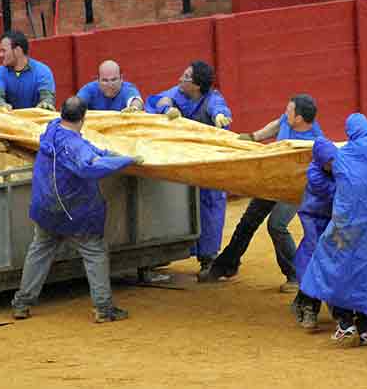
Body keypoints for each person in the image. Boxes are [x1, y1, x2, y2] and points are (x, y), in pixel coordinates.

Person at [11, 96, 143, 322]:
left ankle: (22, 303)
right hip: (74, 210)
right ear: (83, 118)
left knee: (40, 250)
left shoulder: (52, 128)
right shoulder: (75, 146)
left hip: (46, 205)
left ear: (62, 113)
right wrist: (125, 160)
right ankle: (103, 308)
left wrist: (105, 154)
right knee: (94, 252)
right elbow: (89, 166)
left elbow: (87, 150)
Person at [199, 94, 324, 292]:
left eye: (289, 110)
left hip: (295, 188)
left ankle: (296, 275)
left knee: (276, 225)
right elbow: (276, 124)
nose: (285, 113)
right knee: (248, 221)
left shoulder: (314, 143)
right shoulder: (289, 120)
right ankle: (226, 266)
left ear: (299, 118)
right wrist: (254, 137)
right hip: (273, 180)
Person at [300, 113, 367, 347]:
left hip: (347, 225)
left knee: (334, 266)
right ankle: (365, 328)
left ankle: (345, 322)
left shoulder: (341, 156)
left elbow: (320, 174)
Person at [145, 61, 232, 275]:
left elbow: (218, 108)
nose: (179, 79)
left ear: (196, 85)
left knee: (210, 206)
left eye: (185, 77)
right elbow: (159, 99)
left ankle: (209, 259)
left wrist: (220, 116)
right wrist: (167, 107)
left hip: (208, 164)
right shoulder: (178, 93)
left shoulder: (212, 99)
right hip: (184, 163)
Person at [291, 137, 338, 330]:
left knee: (328, 262)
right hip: (313, 220)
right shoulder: (315, 175)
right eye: (328, 163)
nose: (332, 165)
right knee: (315, 261)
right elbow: (334, 192)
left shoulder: (333, 165)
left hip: (330, 220)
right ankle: (310, 308)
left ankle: (309, 304)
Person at [0, 30, 56, 110]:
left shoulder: (42, 71)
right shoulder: (0, 72)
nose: (0, 55)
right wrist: (2, 105)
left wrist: (45, 104)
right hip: (9, 119)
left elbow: (47, 98)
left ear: (18, 50)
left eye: (4, 51)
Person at [77, 60, 143, 112]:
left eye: (114, 80)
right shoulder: (89, 89)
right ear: (98, 80)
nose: (110, 85)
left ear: (121, 78)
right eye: (105, 80)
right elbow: (77, 103)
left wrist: (134, 109)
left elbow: (136, 101)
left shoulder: (128, 89)